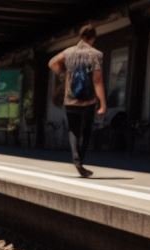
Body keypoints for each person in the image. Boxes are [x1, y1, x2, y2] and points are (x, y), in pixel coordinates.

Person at [48, 23, 106, 177]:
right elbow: (98, 80)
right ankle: (81, 160)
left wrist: (63, 73)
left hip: (70, 99)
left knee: (73, 130)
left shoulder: (68, 52)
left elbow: (51, 63)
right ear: (92, 38)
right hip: (88, 101)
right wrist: (103, 104)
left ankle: (76, 159)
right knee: (86, 131)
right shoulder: (96, 54)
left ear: (81, 36)